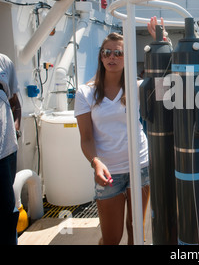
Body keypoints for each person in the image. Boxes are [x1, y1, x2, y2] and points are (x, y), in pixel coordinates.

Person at [74, 22, 164, 244]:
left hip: (140, 166)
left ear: (126, 58)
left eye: (118, 53)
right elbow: (86, 138)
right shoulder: (85, 93)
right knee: (111, 238)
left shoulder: (137, 88)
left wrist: (161, 42)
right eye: (107, 52)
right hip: (108, 172)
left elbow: (166, 81)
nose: (111, 57)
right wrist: (96, 163)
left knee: (136, 232)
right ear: (101, 57)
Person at [0, 51, 21, 245]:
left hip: (3, 153)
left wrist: (15, 129)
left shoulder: (2, 62)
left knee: (6, 212)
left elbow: (15, 103)